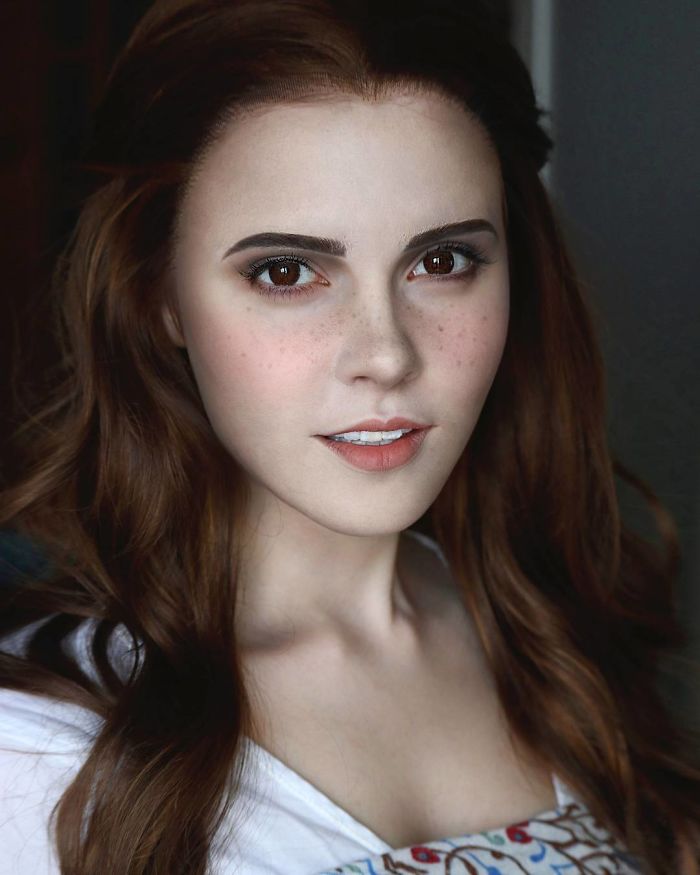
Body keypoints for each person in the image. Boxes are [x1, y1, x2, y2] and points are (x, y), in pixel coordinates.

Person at [1, 1, 698, 873]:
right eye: (287, 271)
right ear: (160, 296)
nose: (386, 355)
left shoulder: (554, 627)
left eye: (441, 261)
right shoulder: (37, 750)